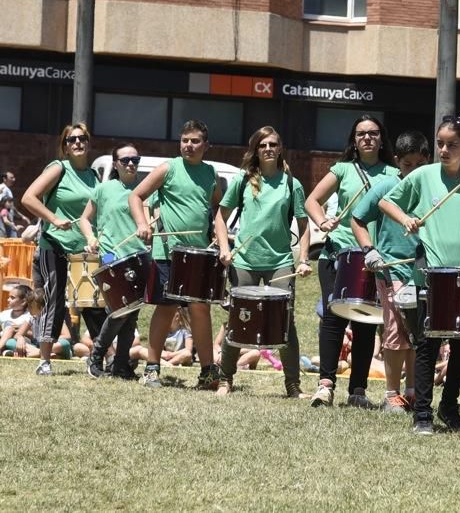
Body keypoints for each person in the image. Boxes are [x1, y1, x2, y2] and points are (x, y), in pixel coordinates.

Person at [380, 115, 460, 435]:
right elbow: (388, 202)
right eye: (440, 143)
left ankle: (450, 406)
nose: (443, 149)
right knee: (427, 344)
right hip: (430, 271)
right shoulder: (424, 175)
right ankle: (423, 415)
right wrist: (406, 219)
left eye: (451, 145)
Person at [306, 115, 398, 409]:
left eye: (373, 133)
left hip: (374, 256)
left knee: (366, 322)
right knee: (333, 319)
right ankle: (325, 386)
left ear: (382, 138)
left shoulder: (394, 174)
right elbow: (312, 201)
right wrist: (322, 222)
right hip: (339, 253)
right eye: (361, 134)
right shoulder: (342, 169)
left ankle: (357, 389)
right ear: (354, 140)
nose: (367, 138)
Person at [214, 126, 312, 398]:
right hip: (244, 261)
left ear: (280, 148)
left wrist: (303, 259)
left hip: (280, 262)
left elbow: (304, 226)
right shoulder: (243, 181)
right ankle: (225, 380)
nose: (268, 148)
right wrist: (225, 248)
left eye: (273, 144)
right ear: (256, 150)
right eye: (263, 145)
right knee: (238, 319)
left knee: (285, 323)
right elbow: (220, 217)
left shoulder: (292, 184)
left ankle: (293, 386)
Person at [128, 120, 223, 390]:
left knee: (200, 309)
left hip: (199, 254)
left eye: (194, 141)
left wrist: (218, 234)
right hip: (167, 252)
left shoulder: (211, 174)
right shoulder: (167, 169)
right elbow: (136, 196)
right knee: (166, 307)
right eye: (184, 140)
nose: (188, 146)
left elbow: (217, 208)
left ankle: (207, 372)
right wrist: (142, 224)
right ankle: (152, 368)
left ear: (206, 145)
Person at [350, 130, 430, 413]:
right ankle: (391, 393)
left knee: (418, 334)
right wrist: (369, 250)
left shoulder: (430, 187)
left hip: (424, 269)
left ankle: (412, 390)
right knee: (396, 331)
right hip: (392, 269)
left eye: (419, 164)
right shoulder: (385, 187)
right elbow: (357, 219)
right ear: (397, 162)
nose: (413, 170)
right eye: (407, 165)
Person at [20, 122, 99, 376]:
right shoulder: (58, 168)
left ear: (88, 143)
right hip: (54, 245)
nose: (77, 143)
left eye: (82, 138)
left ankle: (97, 358)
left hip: (84, 250)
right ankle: (44, 360)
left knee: (91, 302)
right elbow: (28, 197)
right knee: (53, 301)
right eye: (71, 140)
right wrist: (53, 219)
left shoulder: (94, 176)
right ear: (64, 146)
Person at [78, 142, 148, 380]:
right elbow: (85, 219)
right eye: (125, 160)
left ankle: (120, 365)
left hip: (139, 256)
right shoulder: (104, 189)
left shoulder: (145, 189)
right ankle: (96, 356)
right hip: (110, 255)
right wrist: (91, 238)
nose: (130, 164)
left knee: (132, 313)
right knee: (120, 309)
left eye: (135, 160)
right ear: (116, 163)